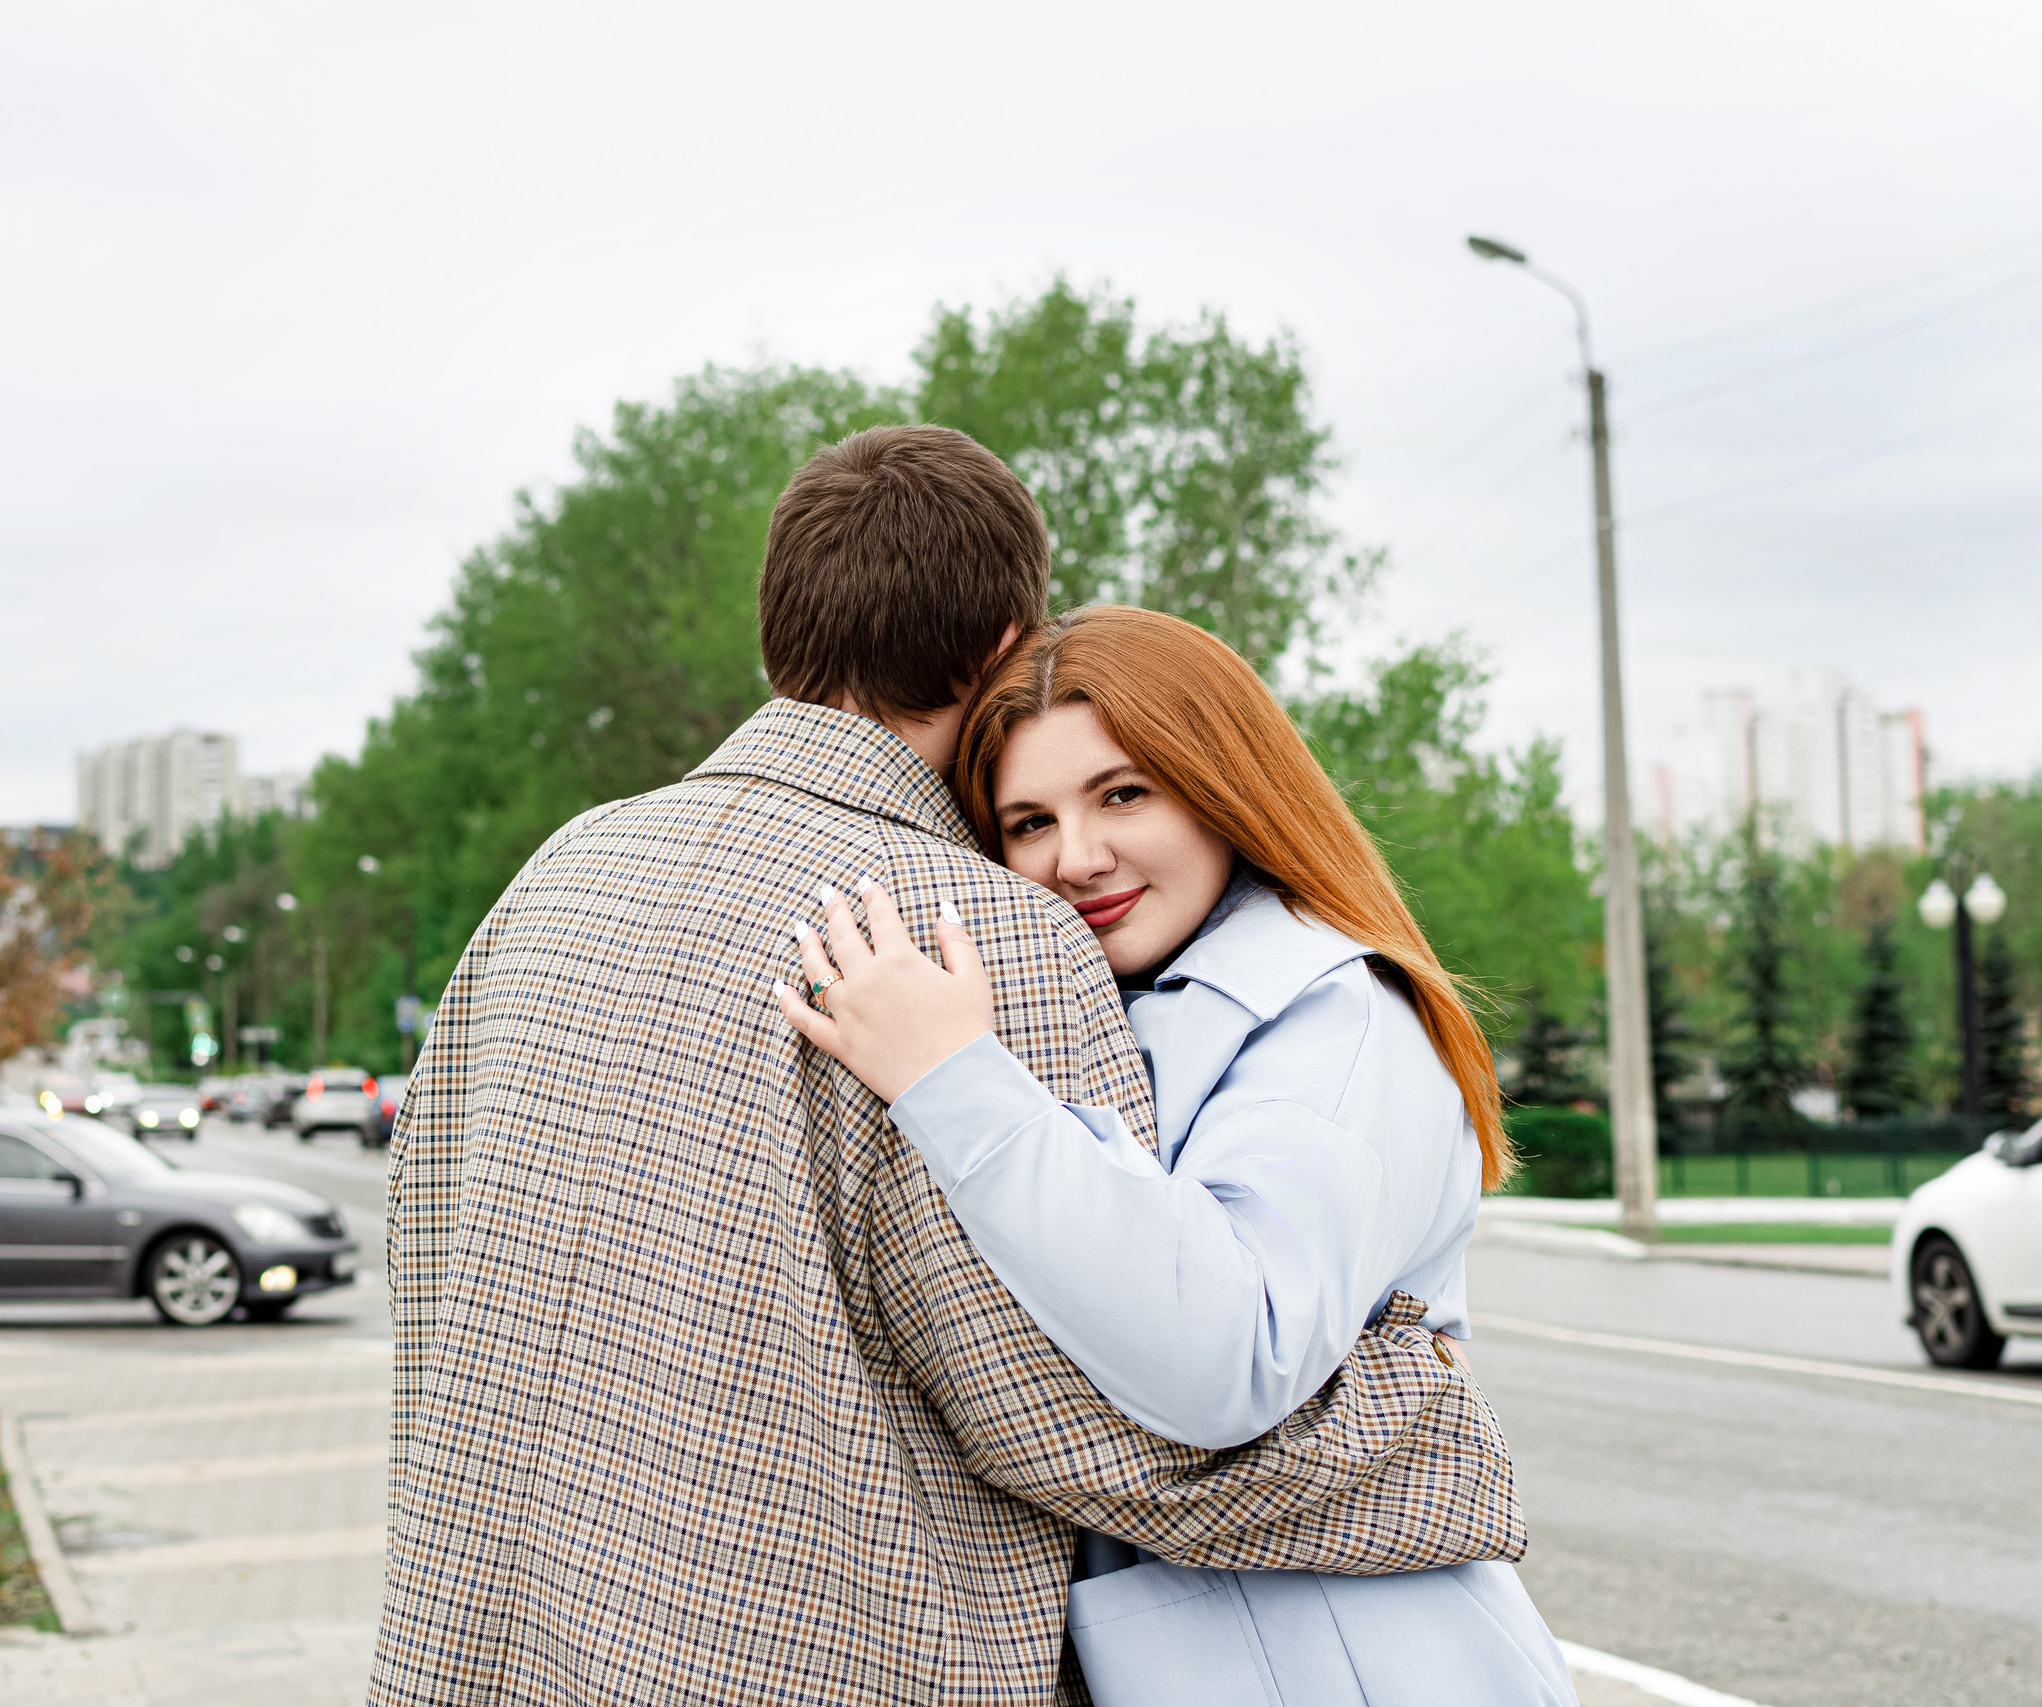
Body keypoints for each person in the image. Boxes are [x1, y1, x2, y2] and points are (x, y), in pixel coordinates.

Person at [373, 428, 1518, 1707]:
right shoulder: (961, 930)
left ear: (778, 646)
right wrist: (1420, 1432)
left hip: (487, 1637)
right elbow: (1087, 1421)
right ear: (1003, 651)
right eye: (1039, 818)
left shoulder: (556, 879)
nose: (1071, 852)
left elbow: (422, 1250)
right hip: (811, 1652)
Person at [773, 604, 1578, 1706]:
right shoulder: (1086, 1007)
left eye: (1122, 795)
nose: (1077, 857)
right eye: (1027, 822)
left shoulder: (1335, 1017)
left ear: (1222, 785)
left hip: (1349, 1661)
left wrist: (949, 1076)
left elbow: (1223, 1355)